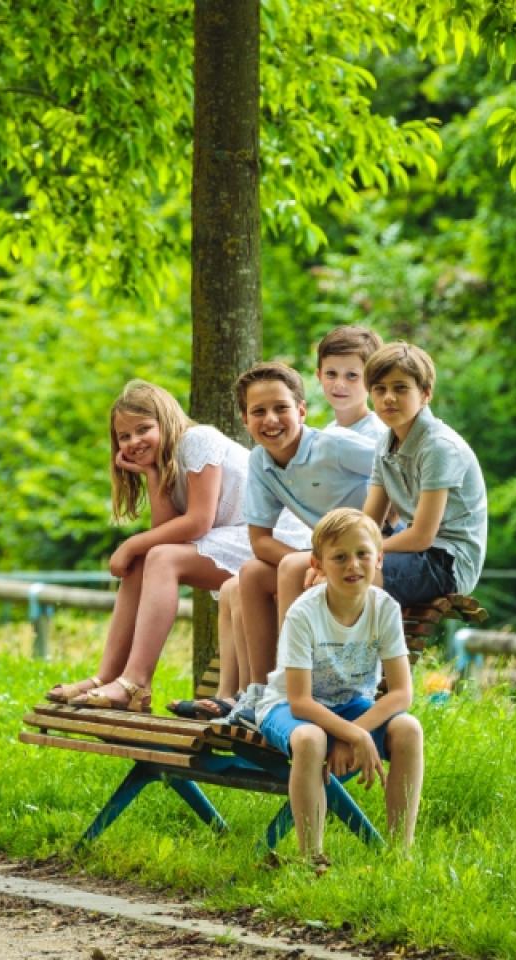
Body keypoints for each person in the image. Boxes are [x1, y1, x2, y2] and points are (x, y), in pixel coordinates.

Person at [173, 363, 374, 720]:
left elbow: (393, 467)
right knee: (250, 573)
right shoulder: (261, 463)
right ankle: (259, 692)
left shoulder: (334, 446)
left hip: (369, 553)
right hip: (327, 557)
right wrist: (320, 563)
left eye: (281, 408)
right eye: (258, 412)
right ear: (245, 419)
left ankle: (289, 688)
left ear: (301, 410)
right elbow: (260, 541)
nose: (271, 420)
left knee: (291, 565)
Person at [46, 380, 254, 712]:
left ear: (166, 421)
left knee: (150, 554)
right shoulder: (167, 463)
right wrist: (152, 477)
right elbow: (165, 536)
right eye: (124, 437)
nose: (133, 442)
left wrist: (131, 543)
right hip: (233, 540)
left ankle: (135, 682)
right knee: (145, 561)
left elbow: (198, 521)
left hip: (265, 538)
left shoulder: (198, 440)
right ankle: (109, 677)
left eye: (143, 429)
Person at [254, 508, 423, 868]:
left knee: (408, 728)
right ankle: (311, 857)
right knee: (311, 739)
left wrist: (353, 734)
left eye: (363, 554)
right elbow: (299, 702)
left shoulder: (385, 609)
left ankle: (399, 854)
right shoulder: (304, 613)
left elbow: (400, 694)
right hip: (288, 706)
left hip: (349, 706)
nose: (353, 565)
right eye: (339, 557)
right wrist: (355, 736)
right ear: (317, 563)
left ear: (379, 558)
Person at [362, 341, 489, 605]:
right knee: (301, 567)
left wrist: (361, 550)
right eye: (379, 389)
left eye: (400, 388)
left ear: (425, 394)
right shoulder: (385, 444)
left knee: (350, 572)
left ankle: (354, 647)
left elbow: (422, 536)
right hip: (414, 552)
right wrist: (345, 547)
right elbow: (368, 522)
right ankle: (293, 648)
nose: (388, 397)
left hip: (448, 560)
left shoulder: (438, 447)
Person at [313, 325, 391, 446]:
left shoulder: (377, 438)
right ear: (319, 376)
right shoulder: (327, 433)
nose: (339, 384)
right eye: (331, 374)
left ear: (372, 380)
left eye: (351, 375)